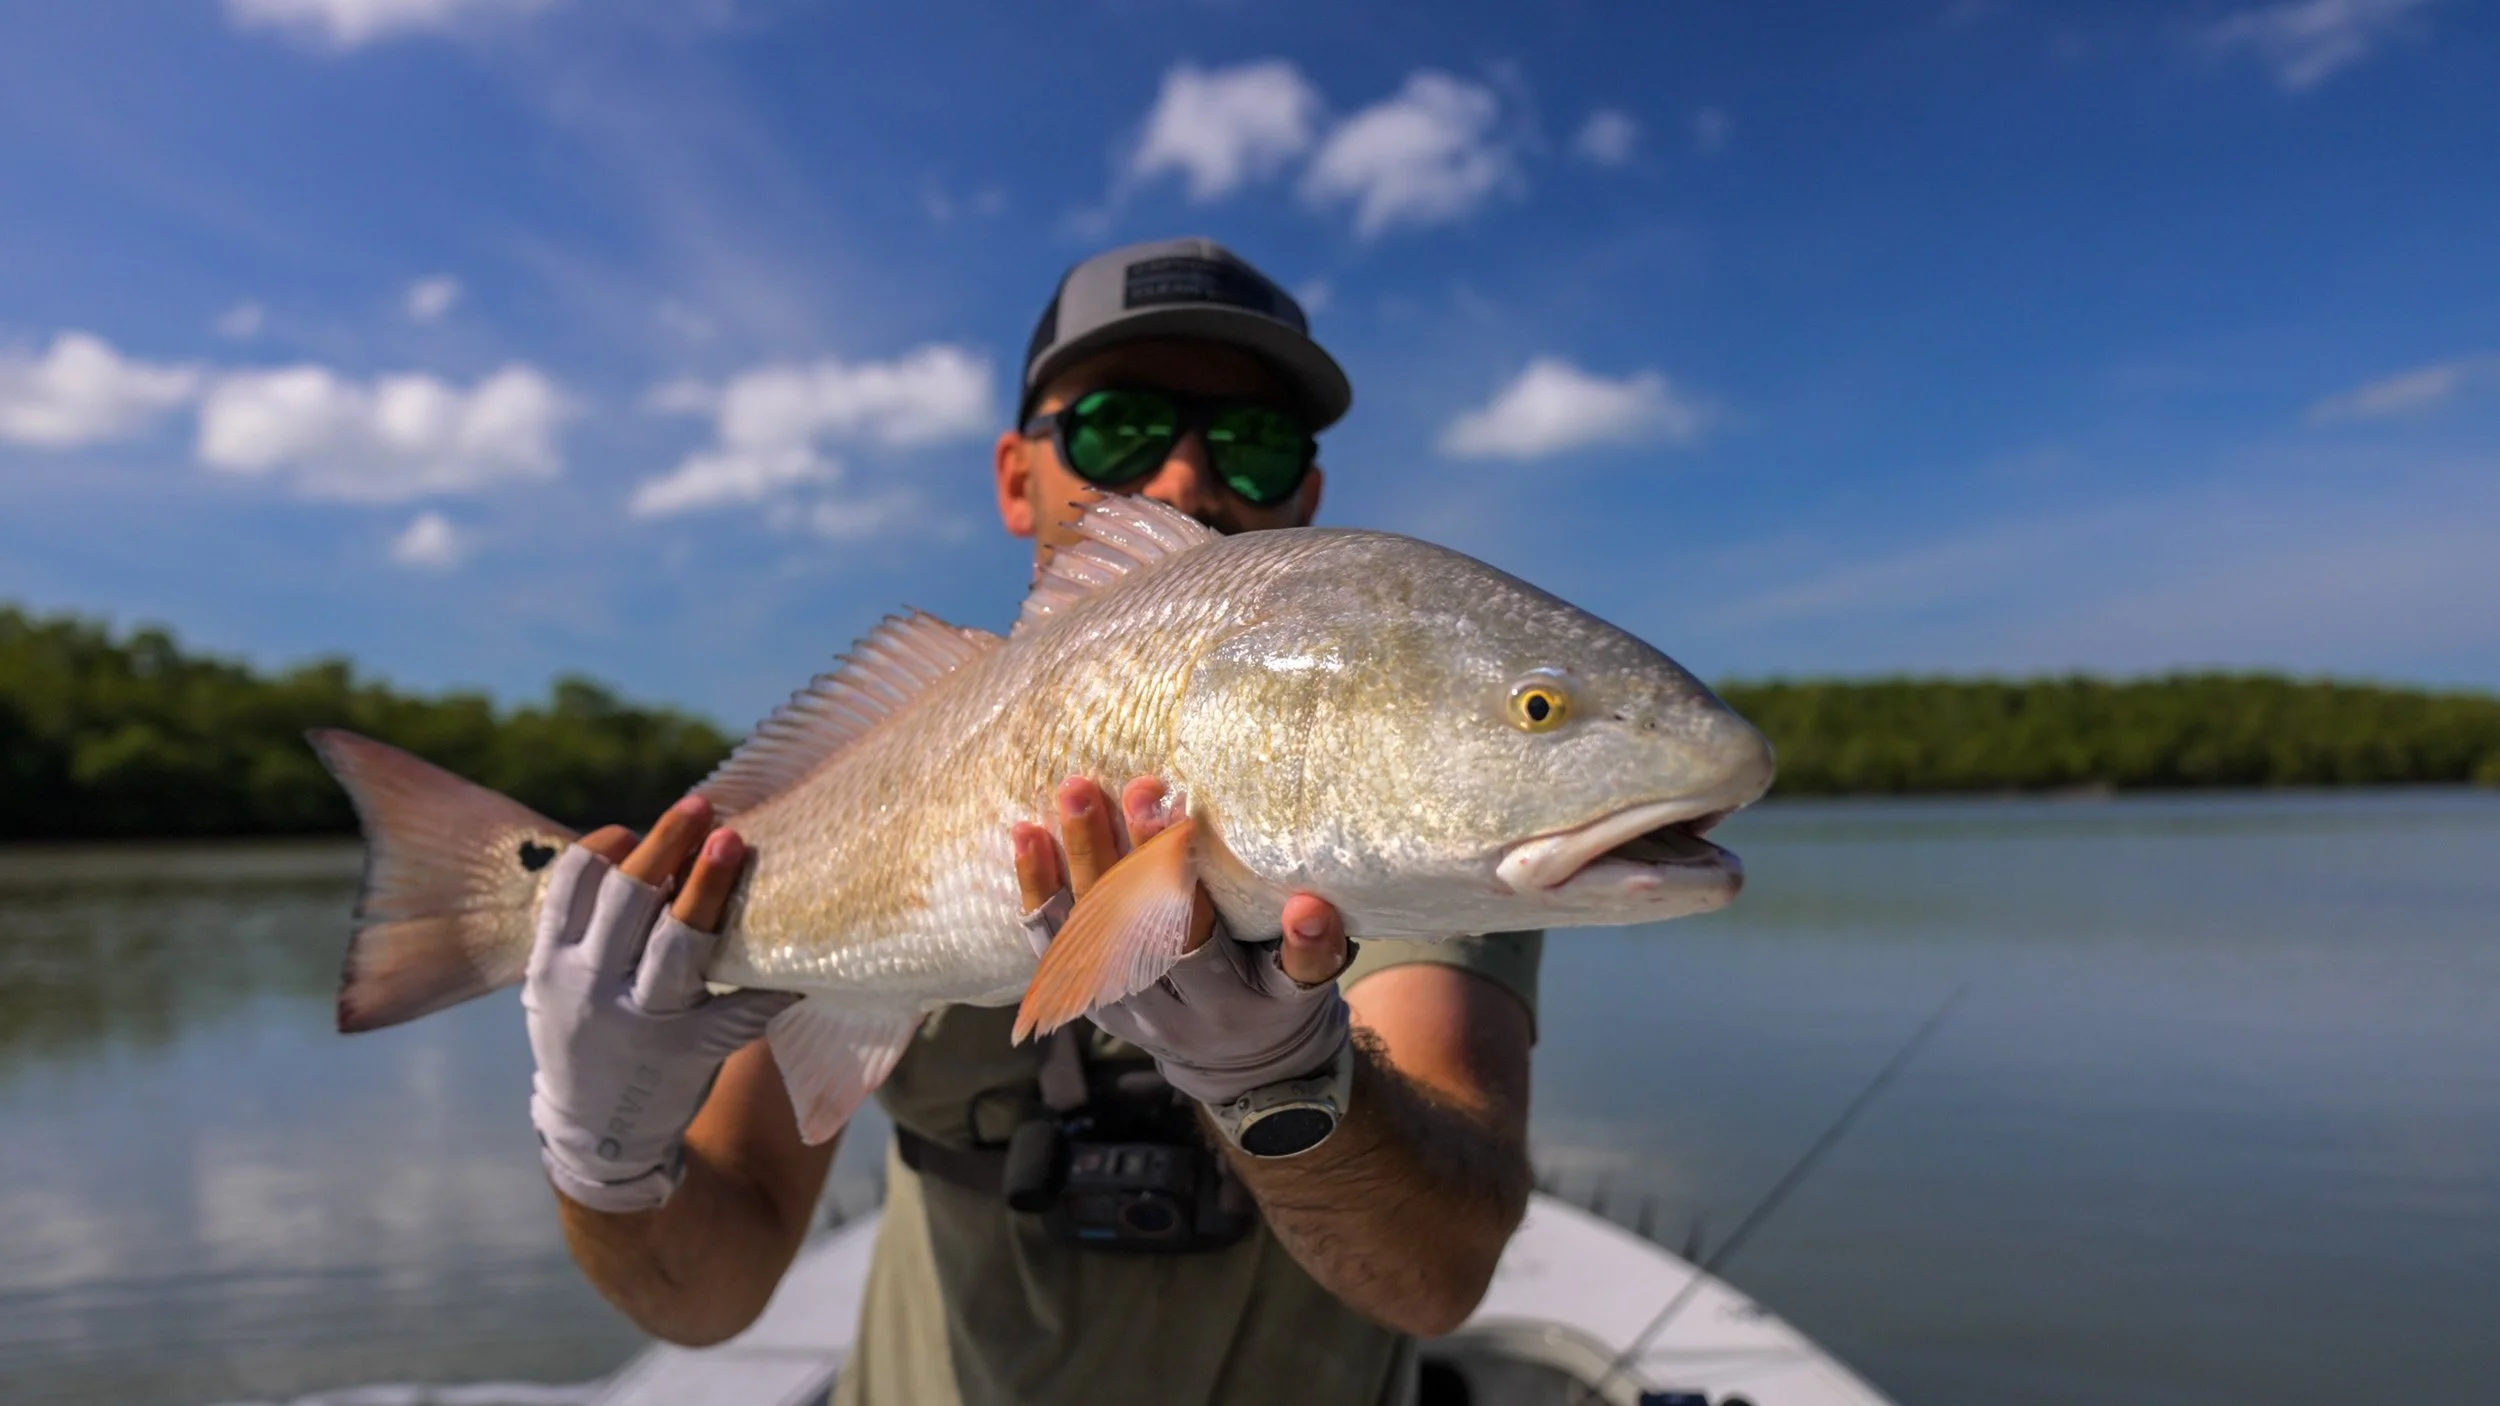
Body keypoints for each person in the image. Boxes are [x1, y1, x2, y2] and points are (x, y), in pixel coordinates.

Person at [526, 238, 1542, 1405]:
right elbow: (703, 1298)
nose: (1182, 480)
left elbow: (1435, 1278)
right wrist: (601, 1145)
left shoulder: (1404, 795)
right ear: (1018, 477)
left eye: (1253, 443)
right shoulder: (897, 758)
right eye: (1117, 429)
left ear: (1306, 495)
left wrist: (1278, 1077)